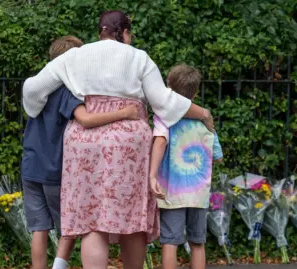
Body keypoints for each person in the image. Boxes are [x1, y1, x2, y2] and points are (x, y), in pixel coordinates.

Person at [21, 10, 214, 269]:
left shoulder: (75, 56)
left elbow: (32, 88)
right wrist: (202, 113)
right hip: (128, 144)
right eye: (129, 34)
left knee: (92, 220)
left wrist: (34, 110)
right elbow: (164, 102)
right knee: (132, 217)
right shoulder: (139, 58)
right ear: (123, 33)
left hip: (84, 142)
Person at [21, 35, 140, 269]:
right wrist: (123, 114)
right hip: (55, 170)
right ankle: (59, 266)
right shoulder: (67, 92)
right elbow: (85, 119)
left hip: (31, 167)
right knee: (73, 224)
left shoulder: (38, 91)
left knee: (39, 228)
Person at [148, 64, 223, 269]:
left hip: (172, 192)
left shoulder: (166, 118)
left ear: (168, 88)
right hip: (198, 193)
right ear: (196, 92)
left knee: (170, 241)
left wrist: (152, 174)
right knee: (198, 242)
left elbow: (160, 142)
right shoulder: (206, 123)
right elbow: (217, 157)